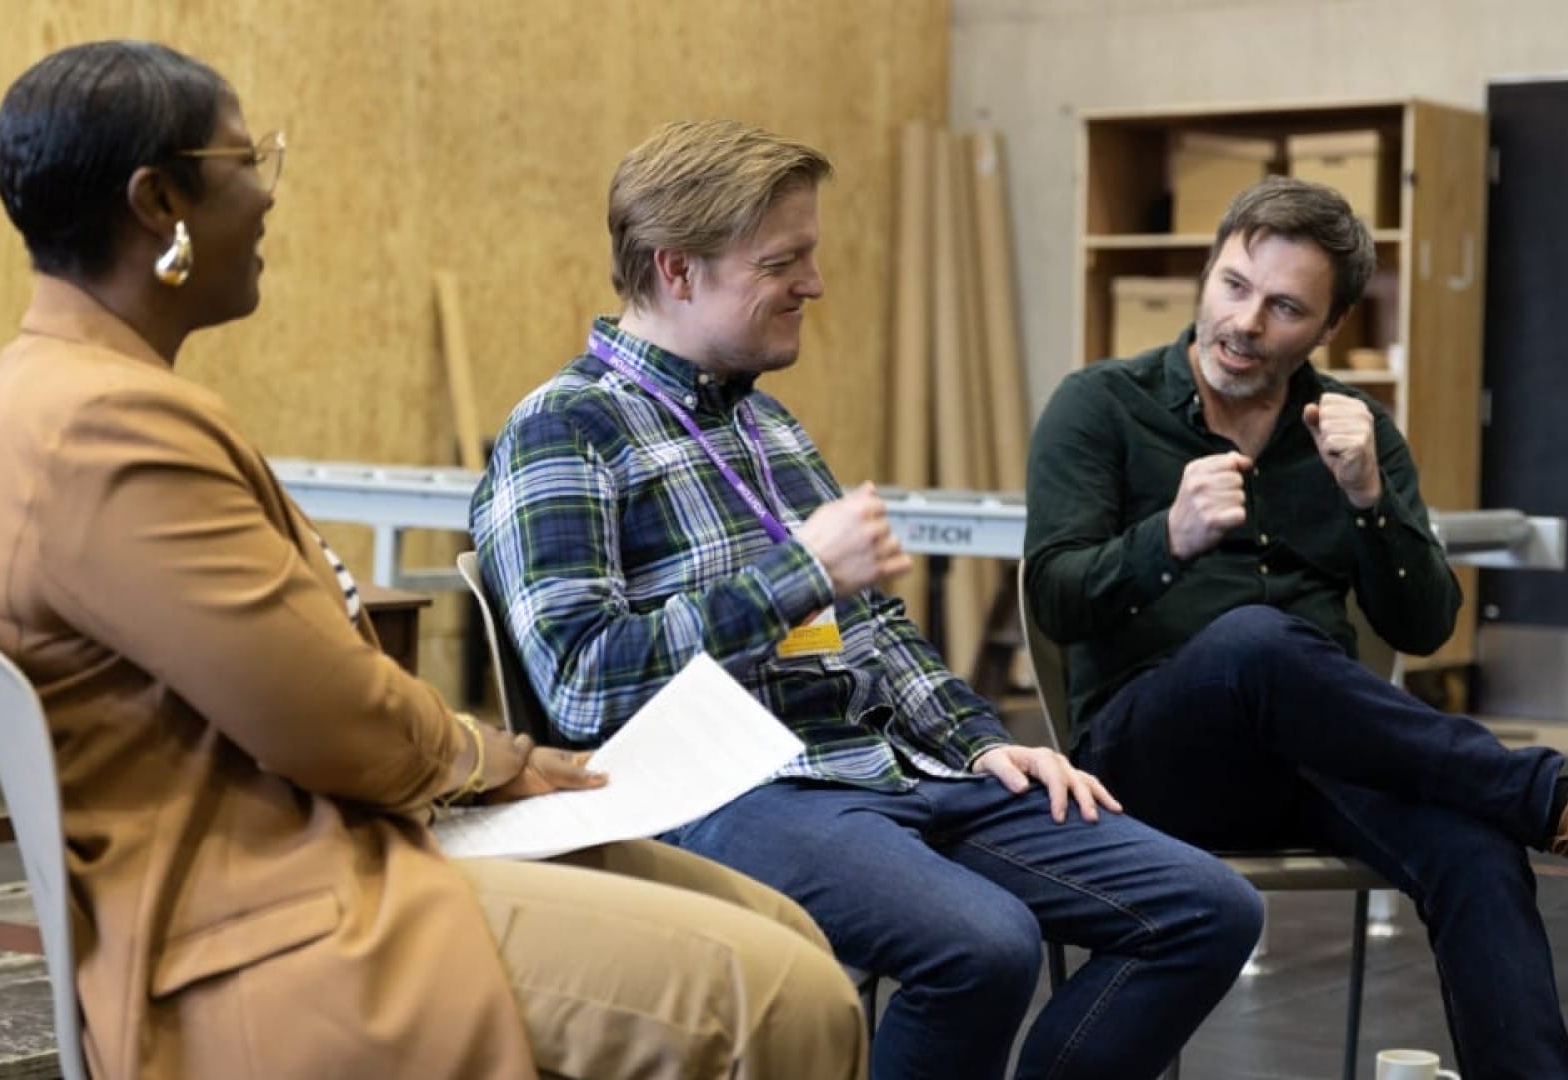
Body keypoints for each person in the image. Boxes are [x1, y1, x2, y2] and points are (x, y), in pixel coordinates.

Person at [0, 41, 867, 1080]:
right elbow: (327, 719)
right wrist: (497, 758)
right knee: (783, 1000)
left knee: (779, 927)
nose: (265, 197)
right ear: (158, 199)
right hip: (258, 912)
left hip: (304, 844)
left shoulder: (85, 395)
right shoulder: (106, 425)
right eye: (250, 160)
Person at [471, 118, 1264, 1080]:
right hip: (732, 789)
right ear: (678, 271)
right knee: (983, 947)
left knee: (1208, 909)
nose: (814, 284)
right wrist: (801, 573)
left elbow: (874, 626)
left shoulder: (766, 421)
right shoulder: (564, 429)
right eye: (784, 261)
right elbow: (586, 688)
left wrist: (980, 739)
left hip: (894, 766)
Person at [1023, 175, 1568, 1080]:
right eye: (1234, 285)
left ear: (1328, 330)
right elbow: (1053, 600)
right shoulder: (1100, 406)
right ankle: (1559, 806)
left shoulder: (1351, 434)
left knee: (1475, 850)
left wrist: (1370, 500)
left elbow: (1424, 620)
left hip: (1314, 758)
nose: (1247, 323)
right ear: (1207, 275)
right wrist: (1163, 543)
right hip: (1147, 759)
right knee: (1254, 642)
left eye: (1285, 307)